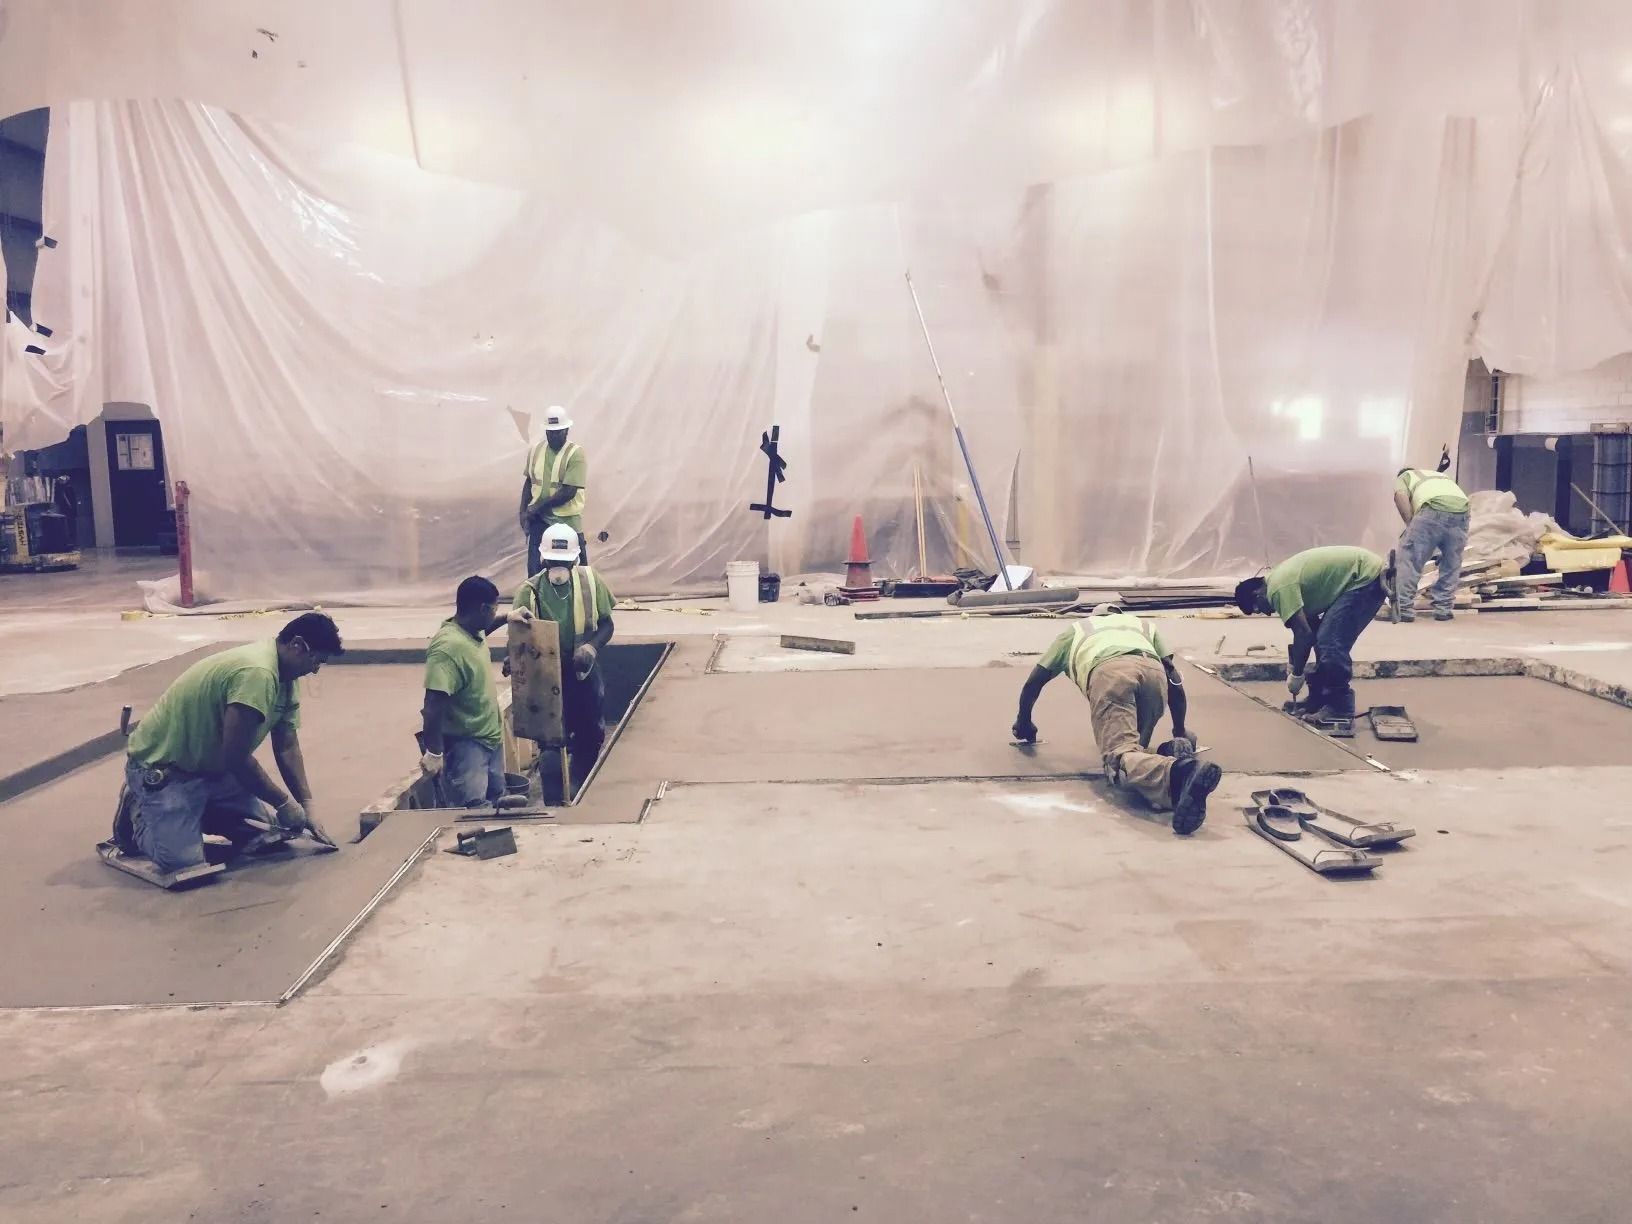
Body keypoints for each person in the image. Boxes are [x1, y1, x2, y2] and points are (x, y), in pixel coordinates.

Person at [111, 612, 342, 874]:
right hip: (166, 771)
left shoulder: (286, 677)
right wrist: (282, 803)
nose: (314, 670)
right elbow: (235, 756)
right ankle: (137, 811)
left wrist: (306, 804)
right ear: (297, 645)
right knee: (182, 863)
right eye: (315, 660)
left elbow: (287, 745)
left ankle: (193, 814)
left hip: (213, 771)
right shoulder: (257, 673)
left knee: (268, 835)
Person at [1011, 604, 1222, 835]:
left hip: (1112, 673)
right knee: (1136, 755)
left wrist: (1024, 721)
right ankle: (1169, 764)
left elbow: (1035, 681)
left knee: (1119, 759)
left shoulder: (1077, 629)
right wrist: (1180, 730)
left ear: (1096, 616)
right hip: (1154, 675)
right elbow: (1173, 677)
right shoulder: (1142, 625)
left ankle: (1182, 771)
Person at [512, 523, 615, 792]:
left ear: (576, 560)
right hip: (545, 677)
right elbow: (518, 637)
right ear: (543, 559)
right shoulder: (529, 591)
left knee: (590, 734)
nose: (559, 569)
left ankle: (581, 788)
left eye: (565, 562)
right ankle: (555, 799)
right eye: (554, 562)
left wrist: (591, 648)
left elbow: (607, 625)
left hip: (583, 671)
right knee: (550, 740)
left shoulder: (591, 582)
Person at [1234, 546, 1388, 721]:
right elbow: (1309, 632)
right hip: (1361, 574)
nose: (1267, 613)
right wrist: (1295, 663)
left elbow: (1303, 635)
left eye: (1258, 609)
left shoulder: (1277, 589)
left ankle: (1340, 707)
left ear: (1257, 594)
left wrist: (1297, 674)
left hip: (1365, 578)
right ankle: (1319, 699)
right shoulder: (1280, 582)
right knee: (1322, 639)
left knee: (1329, 642)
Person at [418, 575, 532, 807]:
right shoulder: (447, 650)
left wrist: (507, 618)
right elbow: (432, 705)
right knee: (472, 811)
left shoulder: (471, 631)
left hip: (490, 740)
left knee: (496, 803)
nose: (494, 613)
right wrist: (434, 752)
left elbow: (484, 629)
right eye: (494, 609)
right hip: (466, 747)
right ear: (481, 609)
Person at [1392, 466, 1470, 622]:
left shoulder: (1404, 477)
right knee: (1451, 561)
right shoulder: (1438, 476)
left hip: (1432, 508)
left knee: (1410, 558)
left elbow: (1400, 495)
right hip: (1462, 510)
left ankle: (1403, 609)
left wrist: (1410, 524)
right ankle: (1444, 609)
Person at [520, 405, 588, 577]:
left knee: (579, 570)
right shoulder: (536, 451)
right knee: (535, 571)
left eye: (558, 432)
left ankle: (581, 600)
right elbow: (529, 482)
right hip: (540, 520)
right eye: (550, 432)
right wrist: (523, 512)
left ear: (566, 430)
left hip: (567, 520)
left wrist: (536, 508)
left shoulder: (575, 454)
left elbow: (569, 491)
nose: (553, 436)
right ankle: (536, 602)